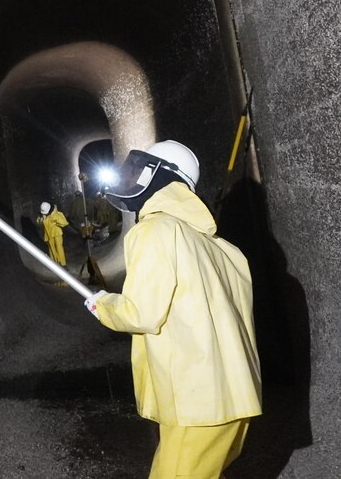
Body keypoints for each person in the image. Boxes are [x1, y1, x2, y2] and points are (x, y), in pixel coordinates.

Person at [84, 141, 261, 479]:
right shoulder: (224, 250)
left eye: (139, 170)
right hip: (234, 400)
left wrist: (102, 305)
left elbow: (141, 313)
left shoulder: (155, 230)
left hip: (196, 403)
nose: (131, 177)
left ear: (163, 178)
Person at [36, 200, 69, 267]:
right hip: (48, 235)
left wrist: (54, 217)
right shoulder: (43, 216)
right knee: (51, 249)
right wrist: (40, 219)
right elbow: (38, 223)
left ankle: (63, 264)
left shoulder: (56, 214)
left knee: (59, 247)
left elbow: (64, 223)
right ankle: (54, 264)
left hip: (56, 233)